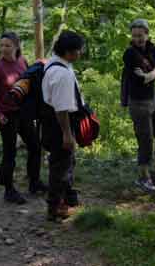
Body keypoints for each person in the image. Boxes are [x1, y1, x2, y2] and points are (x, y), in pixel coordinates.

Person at [0, 32, 47, 204]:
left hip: (23, 113)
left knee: (35, 146)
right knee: (9, 152)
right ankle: (9, 190)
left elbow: (27, 83)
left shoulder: (22, 61)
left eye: (8, 45)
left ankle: (34, 182)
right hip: (7, 116)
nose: (4, 49)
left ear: (16, 46)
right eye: (1, 45)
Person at [121, 19, 155, 193]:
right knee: (145, 141)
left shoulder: (153, 49)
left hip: (154, 99)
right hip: (138, 103)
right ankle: (143, 177)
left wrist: (149, 75)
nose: (137, 39)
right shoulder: (129, 54)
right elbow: (137, 79)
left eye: (140, 35)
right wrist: (154, 73)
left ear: (147, 34)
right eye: (134, 35)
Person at [41, 31, 87, 221]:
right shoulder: (61, 74)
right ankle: (55, 207)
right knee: (60, 166)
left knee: (65, 163)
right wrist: (67, 134)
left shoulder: (55, 63)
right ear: (69, 52)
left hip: (54, 122)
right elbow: (61, 108)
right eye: (78, 50)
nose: (81, 54)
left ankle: (66, 199)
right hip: (60, 124)